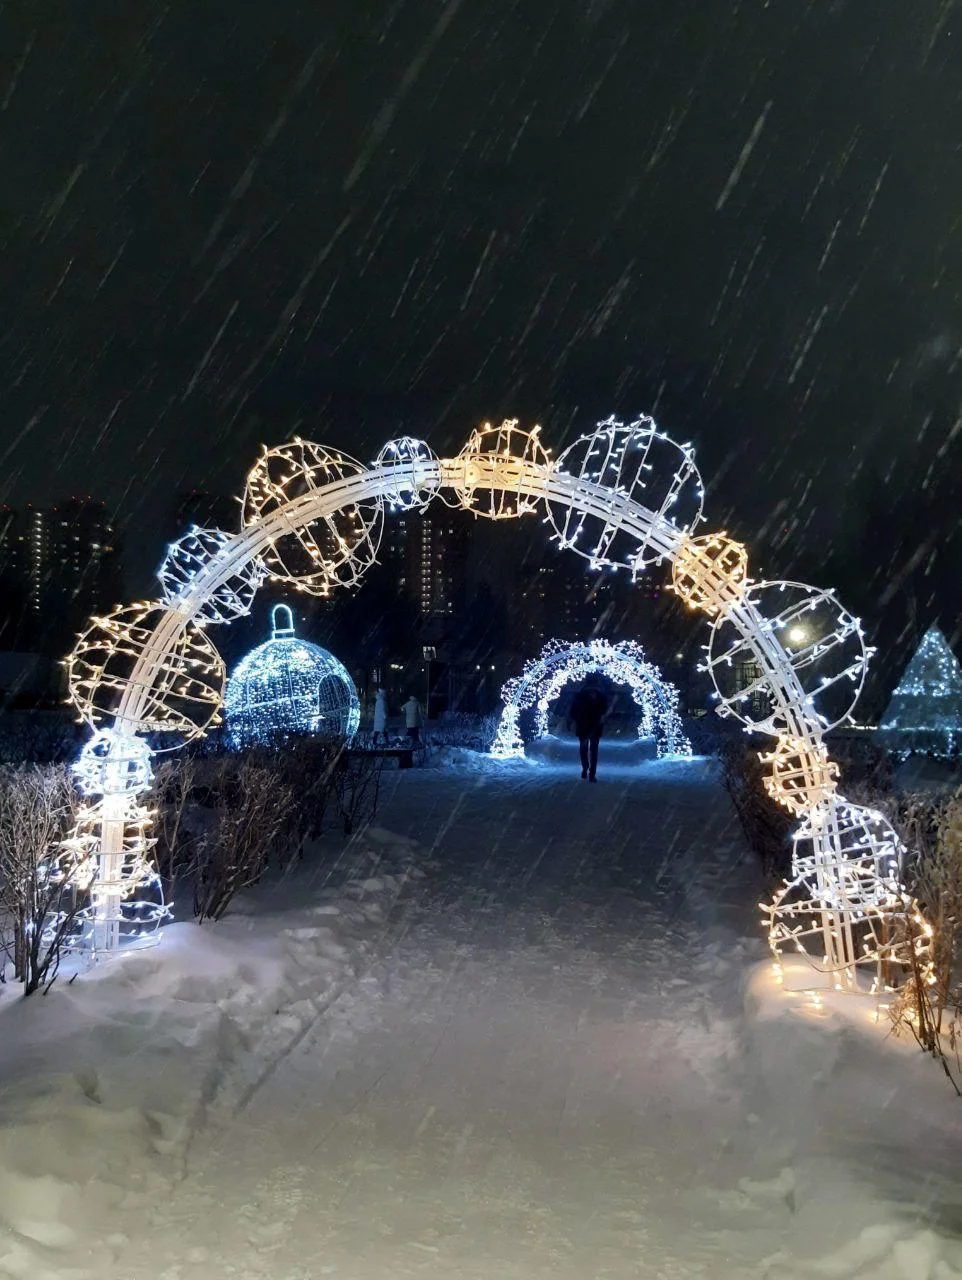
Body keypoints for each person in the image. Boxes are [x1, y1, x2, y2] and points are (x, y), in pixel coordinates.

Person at [568, 674, 608, 782]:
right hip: (593, 726)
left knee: (584, 749)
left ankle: (586, 769)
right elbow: (604, 710)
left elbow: (572, 711)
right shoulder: (600, 696)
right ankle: (591, 773)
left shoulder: (580, 696)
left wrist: (577, 719)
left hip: (584, 726)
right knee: (593, 750)